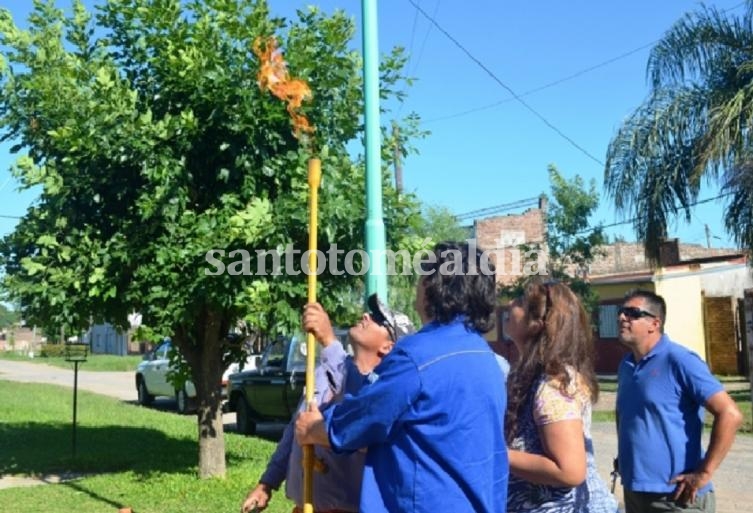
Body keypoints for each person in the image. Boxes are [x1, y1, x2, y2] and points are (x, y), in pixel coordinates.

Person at [296, 241, 509, 513]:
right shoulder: (484, 356)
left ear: (434, 285)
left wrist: (315, 429)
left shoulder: (416, 357)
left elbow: (364, 419)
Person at [240, 295, 415, 513]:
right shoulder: (324, 373)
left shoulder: (380, 392)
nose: (366, 316)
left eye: (379, 319)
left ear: (388, 346)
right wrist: (266, 484)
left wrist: (330, 340)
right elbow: (295, 431)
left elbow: (356, 397)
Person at [615, 289, 743, 513]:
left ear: (654, 323)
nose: (622, 318)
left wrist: (703, 473)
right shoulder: (626, 365)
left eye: (632, 313)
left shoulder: (680, 360)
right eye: (621, 312)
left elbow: (730, 414)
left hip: (676, 498)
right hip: (635, 493)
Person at [504, 279, 618, 513]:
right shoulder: (529, 374)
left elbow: (570, 471)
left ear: (537, 323)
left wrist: (495, 453)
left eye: (521, 301)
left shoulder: (554, 383)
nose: (510, 304)